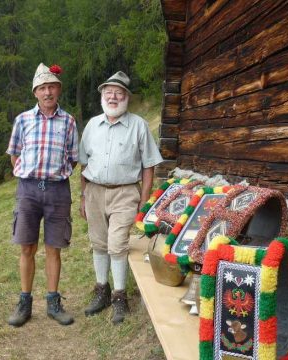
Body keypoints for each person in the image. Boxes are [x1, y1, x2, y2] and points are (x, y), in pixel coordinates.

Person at [78, 71, 163, 324]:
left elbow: (149, 165)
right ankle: (101, 290)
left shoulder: (138, 125)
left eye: (118, 93)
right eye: (108, 93)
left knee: (117, 244)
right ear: (102, 96)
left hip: (126, 193)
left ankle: (119, 297)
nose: (113, 97)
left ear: (126, 97)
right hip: (93, 191)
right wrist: (83, 196)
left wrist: (144, 199)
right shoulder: (92, 125)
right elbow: (83, 163)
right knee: (98, 242)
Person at [6, 63, 78, 327]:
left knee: (53, 249)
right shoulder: (23, 120)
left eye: (52, 87)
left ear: (58, 90)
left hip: (58, 190)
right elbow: (14, 154)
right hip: (28, 190)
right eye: (42, 88)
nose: (48, 92)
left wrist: (55, 175)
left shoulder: (69, 121)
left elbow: (73, 158)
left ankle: (53, 303)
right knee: (26, 247)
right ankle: (24, 303)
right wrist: (31, 174)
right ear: (35, 92)